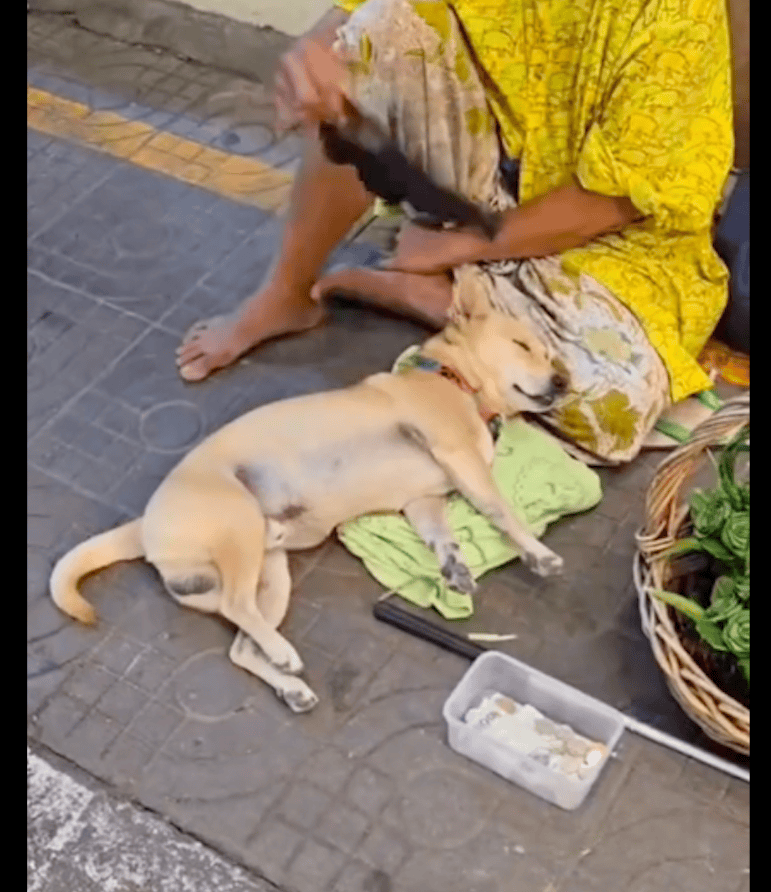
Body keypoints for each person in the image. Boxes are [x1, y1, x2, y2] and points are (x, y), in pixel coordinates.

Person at [176, 0, 733, 465]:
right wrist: (328, 41)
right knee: (365, 47)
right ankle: (287, 292)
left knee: (607, 404)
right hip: (493, 172)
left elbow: (613, 201)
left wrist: (460, 244)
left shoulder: (675, 13)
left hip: (613, 243)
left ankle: (442, 295)